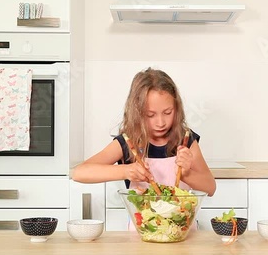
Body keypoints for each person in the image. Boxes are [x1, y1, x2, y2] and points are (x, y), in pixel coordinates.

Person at [72, 67, 216, 197]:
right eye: (150, 115)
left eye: (167, 112)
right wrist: (125, 171)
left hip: (183, 225)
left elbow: (210, 188)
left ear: (177, 108)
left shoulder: (186, 140)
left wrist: (187, 174)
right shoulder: (129, 141)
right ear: (137, 113)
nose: (161, 123)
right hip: (141, 226)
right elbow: (79, 173)